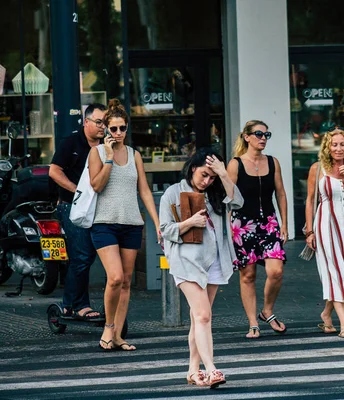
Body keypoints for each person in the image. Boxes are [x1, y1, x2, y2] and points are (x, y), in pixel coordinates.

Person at [160, 149, 242, 388]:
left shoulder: (216, 193)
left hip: (215, 260)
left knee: (199, 319)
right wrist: (189, 223)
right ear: (193, 168)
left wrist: (223, 175)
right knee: (204, 315)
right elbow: (165, 230)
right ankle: (212, 369)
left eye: (212, 177)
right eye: (204, 175)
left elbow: (238, 201)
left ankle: (193, 371)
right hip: (185, 260)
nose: (207, 181)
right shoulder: (173, 192)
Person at [89, 99, 160, 351]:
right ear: (106, 129)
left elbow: (145, 192)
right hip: (104, 223)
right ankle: (108, 327)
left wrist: (157, 223)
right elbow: (96, 186)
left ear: (127, 129)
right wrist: (108, 158)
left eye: (122, 128)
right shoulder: (96, 153)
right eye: (113, 129)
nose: (117, 133)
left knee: (127, 280)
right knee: (115, 277)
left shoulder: (135, 155)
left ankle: (118, 335)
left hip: (131, 223)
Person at [304, 127, 344, 338]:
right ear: (327, 147)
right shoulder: (318, 169)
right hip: (326, 225)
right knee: (336, 271)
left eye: (342, 144)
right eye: (334, 145)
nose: (338, 148)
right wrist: (309, 231)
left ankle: (326, 314)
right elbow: (310, 200)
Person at [226, 120, 288, 339]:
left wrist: (285, 224)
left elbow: (280, 193)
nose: (263, 138)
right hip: (242, 224)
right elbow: (228, 198)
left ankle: (267, 310)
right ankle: (253, 322)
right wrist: (226, 231)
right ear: (247, 137)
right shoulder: (235, 164)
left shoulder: (273, 162)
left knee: (276, 271)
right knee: (248, 275)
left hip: (269, 223)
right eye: (258, 134)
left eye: (266, 135)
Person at [49, 103, 107, 321]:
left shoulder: (105, 146)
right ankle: (76, 305)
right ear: (86, 122)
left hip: (98, 207)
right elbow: (54, 171)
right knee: (82, 255)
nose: (103, 127)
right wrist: (78, 191)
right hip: (71, 206)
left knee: (85, 257)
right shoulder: (71, 142)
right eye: (99, 122)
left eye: (105, 123)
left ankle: (72, 303)